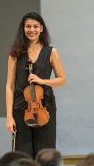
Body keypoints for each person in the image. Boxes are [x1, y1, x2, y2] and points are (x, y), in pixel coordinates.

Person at [5, 12, 66, 158]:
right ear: (23, 29)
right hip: (21, 108)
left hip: (45, 108)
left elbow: (62, 79)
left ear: (41, 29)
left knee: (45, 155)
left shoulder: (51, 52)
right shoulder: (15, 54)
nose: (32, 30)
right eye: (28, 26)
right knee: (23, 155)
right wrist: (9, 116)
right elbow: (9, 86)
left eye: (35, 26)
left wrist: (42, 81)